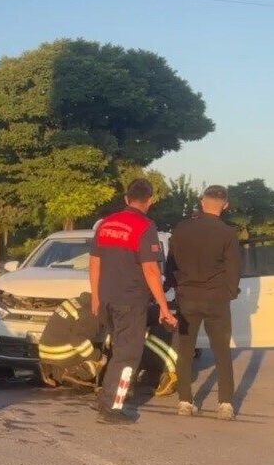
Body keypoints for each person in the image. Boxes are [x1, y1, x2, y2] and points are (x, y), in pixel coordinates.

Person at [89, 178, 178, 424]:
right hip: (130, 301)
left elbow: (94, 261)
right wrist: (163, 306)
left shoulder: (106, 224)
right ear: (149, 201)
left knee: (118, 349)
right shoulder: (144, 226)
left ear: (127, 199)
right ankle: (112, 408)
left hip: (106, 299)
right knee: (128, 355)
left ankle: (105, 397)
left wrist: (96, 295)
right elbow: (151, 270)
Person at [165, 185, 242, 419]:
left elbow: (171, 265)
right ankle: (225, 403)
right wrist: (229, 293)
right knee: (221, 351)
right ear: (225, 205)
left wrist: (174, 287)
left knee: (185, 350)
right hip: (216, 298)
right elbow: (234, 270)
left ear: (201, 201)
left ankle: (185, 401)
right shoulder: (227, 233)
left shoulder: (181, 229)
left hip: (188, 298)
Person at [38, 292, 177, 397]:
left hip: (46, 352)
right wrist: (98, 357)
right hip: (61, 354)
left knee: (101, 349)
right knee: (99, 358)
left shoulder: (82, 302)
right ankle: (76, 372)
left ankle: (53, 370)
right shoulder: (94, 313)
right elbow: (77, 340)